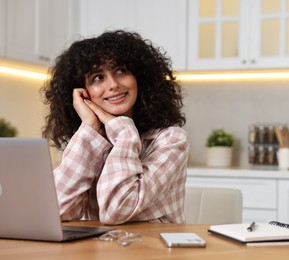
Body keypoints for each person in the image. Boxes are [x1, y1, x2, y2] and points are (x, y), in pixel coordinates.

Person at [41, 30, 189, 225]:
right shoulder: (91, 140)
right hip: (98, 251)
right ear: (84, 92)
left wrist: (125, 134)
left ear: (139, 78)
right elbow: (56, 209)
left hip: (153, 251)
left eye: (120, 71)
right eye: (97, 77)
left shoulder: (171, 139)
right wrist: (89, 128)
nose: (113, 85)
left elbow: (116, 211)